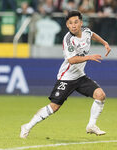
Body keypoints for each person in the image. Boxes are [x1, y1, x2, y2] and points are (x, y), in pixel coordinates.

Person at [20, 10, 111, 138]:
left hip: (80, 76)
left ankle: (91, 125)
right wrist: (89, 57)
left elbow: (92, 34)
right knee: (54, 107)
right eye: (70, 23)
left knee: (100, 95)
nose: (73, 25)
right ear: (67, 25)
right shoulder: (68, 39)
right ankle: (27, 126)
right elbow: (71, 60)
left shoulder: (86, 31)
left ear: (80, 23)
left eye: (76, 22)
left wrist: (105, 43)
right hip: (66, 78)